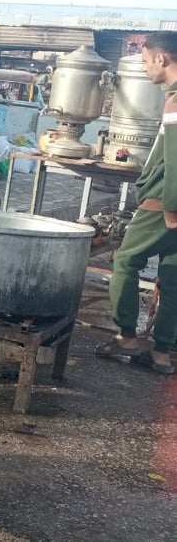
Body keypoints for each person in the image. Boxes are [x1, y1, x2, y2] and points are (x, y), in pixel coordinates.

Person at [100, 31, 177, 375]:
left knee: (127, 261)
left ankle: (127, 337)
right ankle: (162, 353)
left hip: (164, 201)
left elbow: (175, 160)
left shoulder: (175, 100)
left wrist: (171, 205)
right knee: (173, 276)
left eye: (146, 61)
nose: (145, 68)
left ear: (162, 59)